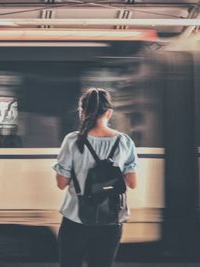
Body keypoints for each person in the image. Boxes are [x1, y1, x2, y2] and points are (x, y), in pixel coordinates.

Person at [52, 88, 138, 267]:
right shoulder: (124, 142)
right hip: (111, 219)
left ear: (82, 112)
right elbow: (132, 183)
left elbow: (61, 183)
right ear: (109, 112)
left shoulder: (72, 140)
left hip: (76, 219)